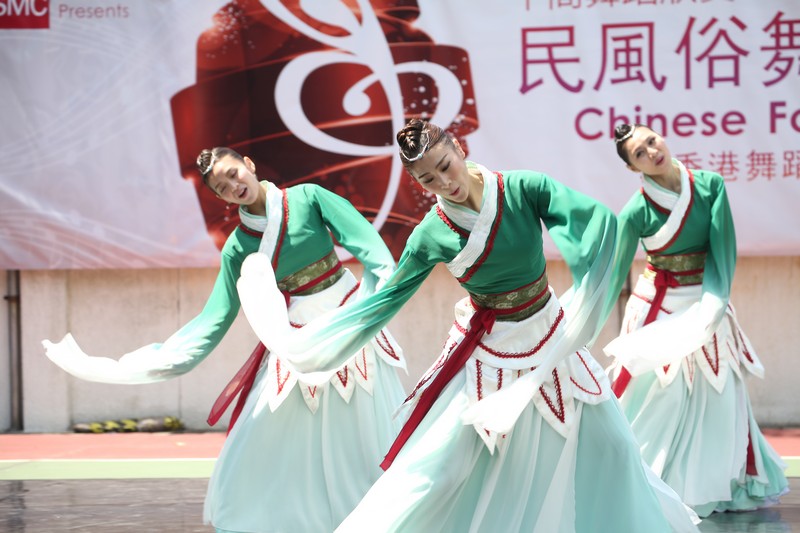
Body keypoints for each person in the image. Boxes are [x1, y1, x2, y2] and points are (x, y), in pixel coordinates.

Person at [234, 119, 700, 532]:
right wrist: (314, 345)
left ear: (458, 147)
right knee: (444, 470)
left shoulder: (523, 188)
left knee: (616, 447)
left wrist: (584, 285)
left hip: (554, 334)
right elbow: (384, 302)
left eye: (444, 165)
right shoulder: (430, 234)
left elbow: (592, 221)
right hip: (488, 350)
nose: (444, 182)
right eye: (428, 178)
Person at [43, 146, 408, 533]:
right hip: (295, 339)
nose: (234, 185)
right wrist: (146, 364)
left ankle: (377, 513)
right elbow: (214, 320)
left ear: (249, 165)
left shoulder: (309, 198)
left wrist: (372, 309)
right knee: (260, 430)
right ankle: (282, 515)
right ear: (219, 197)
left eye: (234, 173)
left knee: (364, 426)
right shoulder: (237, 247)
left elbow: (374, 253)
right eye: (222, 186)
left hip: (347, 317)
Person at [603, 123, 789, 517]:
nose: (651, 151)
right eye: (639, 153)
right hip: (658, 307)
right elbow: (613, 273)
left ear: (660, 136)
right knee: (659, 401)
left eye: (651, 140)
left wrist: (714, 306)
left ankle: (714, 487)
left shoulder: (709, 185)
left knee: (719, 400)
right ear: (632, 167)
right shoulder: (635, 211)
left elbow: (723, 252)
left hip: (707, 301)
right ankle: (647, 484)